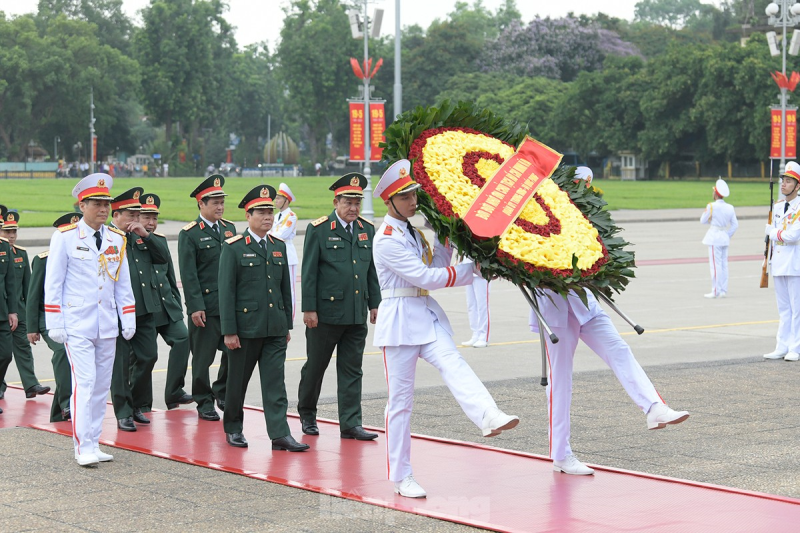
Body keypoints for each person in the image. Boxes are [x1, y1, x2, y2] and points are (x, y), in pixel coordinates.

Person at [372, 160, 519, 498]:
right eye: (406, 197)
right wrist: (471, 269)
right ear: (389, 201)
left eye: (413, 195)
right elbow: (426, 278)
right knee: (400, 403)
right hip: (399, 323)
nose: (413, 202)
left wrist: (445, 239)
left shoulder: (412, 231)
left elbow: (436, 265)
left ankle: (488, 415)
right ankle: (401, 475)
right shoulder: (387, 239)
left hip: (425, 316)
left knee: (455, 363)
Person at [529, 167, 689, 476]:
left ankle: (654, 408)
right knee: (561, 382)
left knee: (619, 349)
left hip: (586, 304)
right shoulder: (541, 215)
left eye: (586, 190)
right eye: (578, 189)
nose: (583, 195)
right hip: (555, 309)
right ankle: (561, 454)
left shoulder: (587, 220)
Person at [44, 173, 135, 466]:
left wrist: (127, 314)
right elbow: (53, 282)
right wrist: (54, 321)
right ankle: (82, 446)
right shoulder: (66, 237)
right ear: (81, 205)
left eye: (106, 204)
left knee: (100, 386)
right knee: (85, 383)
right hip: (77, 323)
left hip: (106, 323)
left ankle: (94, 442)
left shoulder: (115, 238)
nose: (103, 209)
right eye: (96, 204)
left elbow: (122, 282)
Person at [219, 185, 308, 452]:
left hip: (274, 329)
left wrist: (286, 326)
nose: (268, 217)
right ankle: (233, 428)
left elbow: (284, 290)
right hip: (245, 330)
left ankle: (280, 434)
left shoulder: (278, 247)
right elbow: (227, 292)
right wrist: (229, 331)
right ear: (248, 215)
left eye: (270, 211)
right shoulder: (234, 248)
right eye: (261, 212)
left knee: (275, 384)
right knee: (237, 383)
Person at [297, 173, 381, 441]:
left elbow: (371, 271)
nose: (353, 208)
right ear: (336, 201)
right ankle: (307, 412)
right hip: (326, 315)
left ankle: (351, 423)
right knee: (316, 366)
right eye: (348, 202)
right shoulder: (319, 229)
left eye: (357, 202)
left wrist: (375, 304)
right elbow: (309, 272)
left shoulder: (367, 229)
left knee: (352, 369)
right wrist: (309, 309)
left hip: (356, 314)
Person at [108, 188, 169, 431]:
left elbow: (163, 257)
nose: (135, 219)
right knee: (121, 365)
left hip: (144, 309)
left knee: (148, 357)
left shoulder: (139, 236)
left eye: (137, 215)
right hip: (117, 311)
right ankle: (123, 411)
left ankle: (134, 403)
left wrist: (145, 235)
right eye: (130, 215)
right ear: (116, 214)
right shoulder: (107, 238)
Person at [178, 175, 236, 421]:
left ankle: (221, 390)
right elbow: (189, 275)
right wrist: (195, 307)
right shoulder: (190, 234)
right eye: (214, 202)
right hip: (205, 307)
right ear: (201, 204)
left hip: (229, 307)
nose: (220, 207)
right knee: (202, 359)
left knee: (233, 353)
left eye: (222, 202)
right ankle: (203, 401)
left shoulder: (229, 229)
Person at [138, 193, 193, 408]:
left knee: (182, 338)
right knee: (145, 357)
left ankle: (174, 391)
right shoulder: (127, 241)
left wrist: (177, 306)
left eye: (154, 218)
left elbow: (170, 277)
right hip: (145, 310)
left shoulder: (159, 240)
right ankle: (141, 403)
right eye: (146, 217)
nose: (151, 223)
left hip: (167, 307)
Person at [28, 213, 82, 422]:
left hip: (74, 316)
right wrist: (32, 327)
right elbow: (33, 296)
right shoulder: (44, 259)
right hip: (48, 317)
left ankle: (59, 414)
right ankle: (67, 403)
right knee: (62, 352)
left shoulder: (84, 255)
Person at [0, 211, 50, 399]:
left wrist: (31, 316)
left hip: (18, 311)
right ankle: (1, 384)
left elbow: (29, 288)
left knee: (23, 348)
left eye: (14, 232)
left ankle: (30, 385)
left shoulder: (20, 253)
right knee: (3, 353)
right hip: (2, 310)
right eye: (7, 232)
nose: (11, 236)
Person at [764, 161, 800, 361]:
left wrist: (773, 232)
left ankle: (795, 348)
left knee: (797, 309)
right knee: (784, 309)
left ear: (797, 185)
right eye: (783, 181)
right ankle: (781, 345)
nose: (783, 184)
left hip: (795, 264)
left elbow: (793, 235)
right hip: (778, 263)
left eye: (788, 181)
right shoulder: (777, 207)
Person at [700, 178, 738, 298]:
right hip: (724, 236)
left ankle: (715, 290)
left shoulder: (711, 206)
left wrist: (711, 222)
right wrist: (727, 234)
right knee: (723, 264)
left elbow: (703, 220)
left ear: (716, 194)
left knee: (715, 265)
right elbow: (735, 225)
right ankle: (723, 290)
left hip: (714, 236)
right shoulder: (730, 207)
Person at [268, 183, 299, 319]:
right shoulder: (277, 216)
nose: (276, 201)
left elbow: (281, 235)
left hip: (288, 255)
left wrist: (268, 235)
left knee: (290, 289)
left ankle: (290, 317)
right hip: (276, 254)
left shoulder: (291, 216)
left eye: (279, 199)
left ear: (286, 200)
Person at [0, 204, 19, 416]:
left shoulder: (4, 247)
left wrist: (13, 311)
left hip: (2, 311)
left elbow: (11, 282)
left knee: (5, 354)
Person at [461, 258, 491, 348]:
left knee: (482, 305)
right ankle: (475, 334)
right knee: (471, 305)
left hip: (482, 269)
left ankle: (483, 337)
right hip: (468, 268)